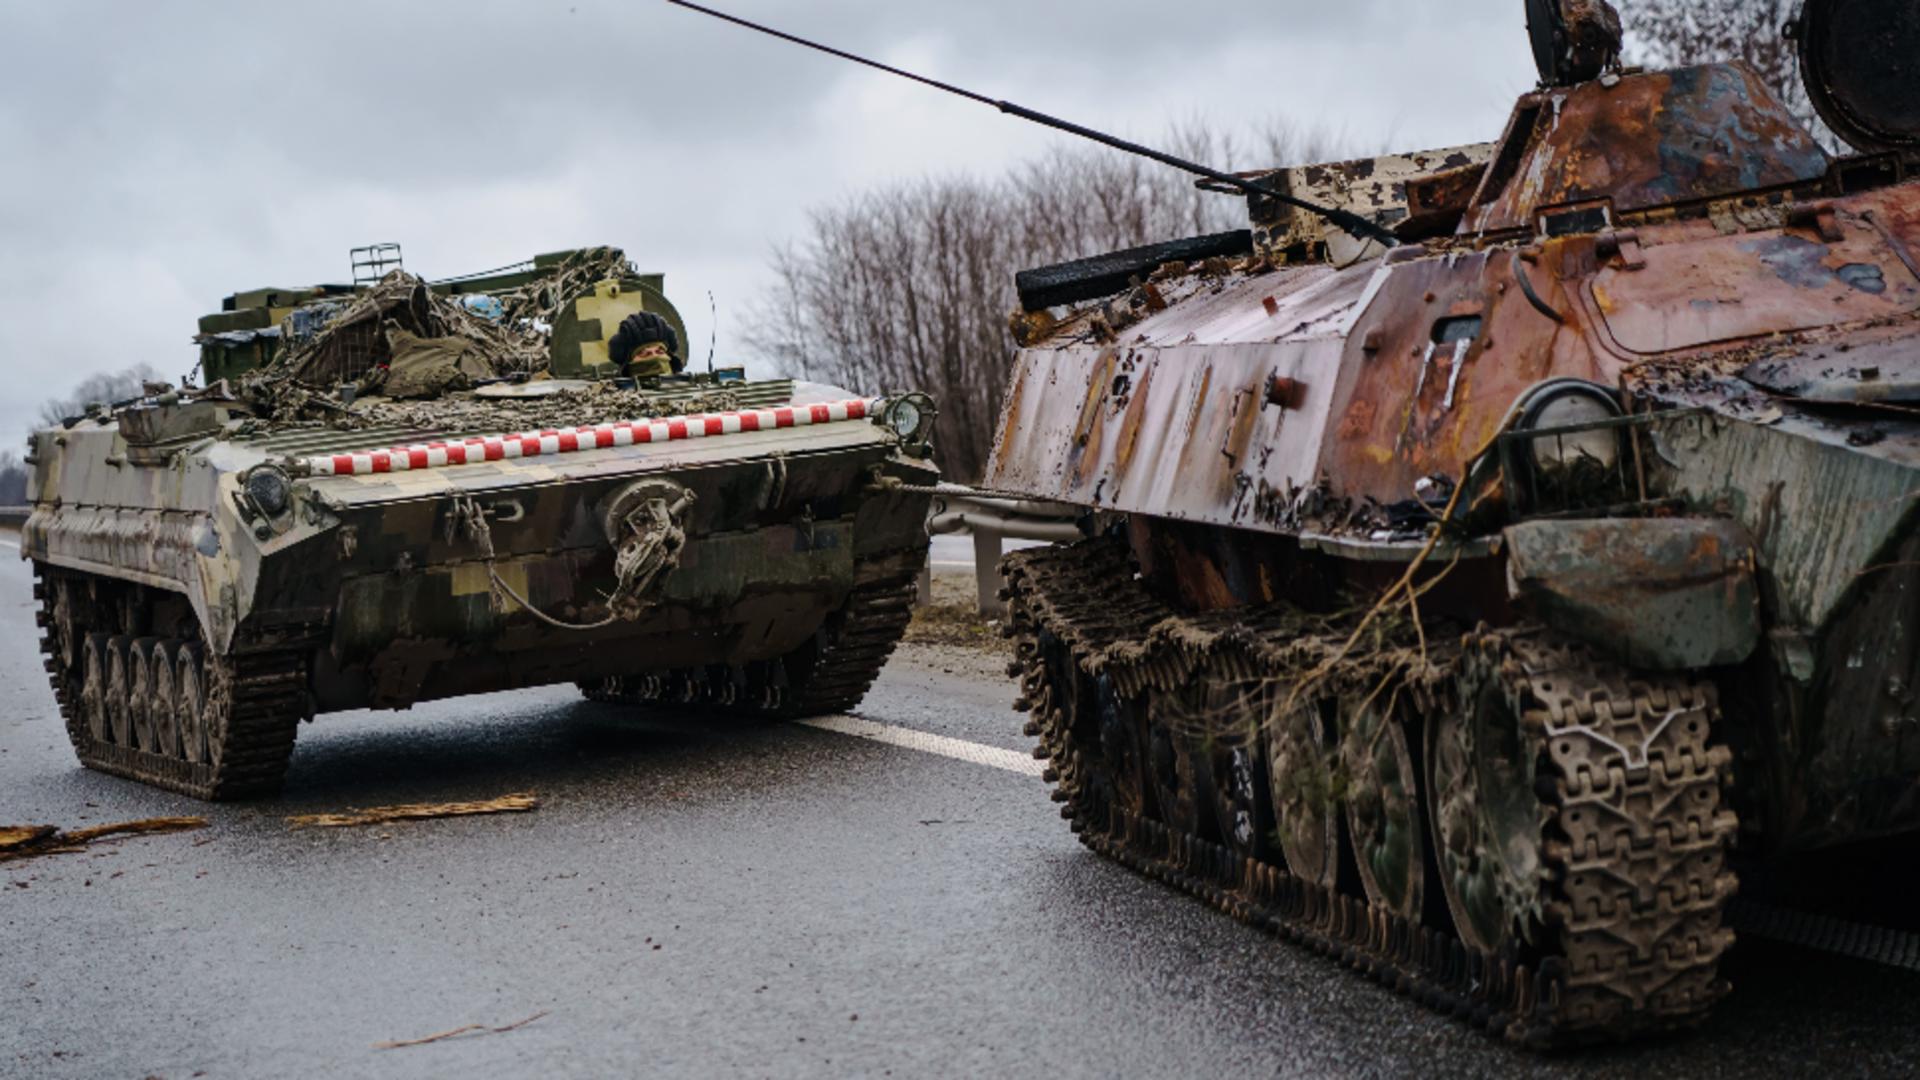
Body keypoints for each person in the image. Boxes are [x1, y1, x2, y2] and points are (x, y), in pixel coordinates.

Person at [608, 311, 682, 378]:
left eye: (660, 352)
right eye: (645, 354)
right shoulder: (612, 391)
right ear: (629, 363)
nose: (655, 356)